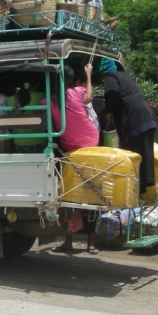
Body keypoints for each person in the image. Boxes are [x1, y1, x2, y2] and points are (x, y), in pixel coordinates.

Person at [47, 64, 100, 254]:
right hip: (91, 142)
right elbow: (89, 97)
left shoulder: (48, 99)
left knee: (71, 197)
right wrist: (88, 75)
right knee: (93, 196)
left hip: (70, 148)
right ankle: (91, 243)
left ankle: (68, 240)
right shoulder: (76, 92)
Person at [96, 58, 157, 194]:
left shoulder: (110, 78)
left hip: (135, 118)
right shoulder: (123, 76)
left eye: (99, 77)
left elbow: (114, 93)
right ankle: (141, 189)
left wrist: (109, 110)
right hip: (146, 115)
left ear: (102, 73)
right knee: (144, 154)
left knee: (133, 154)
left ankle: (135, 190)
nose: (100, 81)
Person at [6, 74, 47, 154]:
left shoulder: (10, 100)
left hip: (19, 142)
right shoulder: (42, 96)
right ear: (37, 84)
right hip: (40, 141)